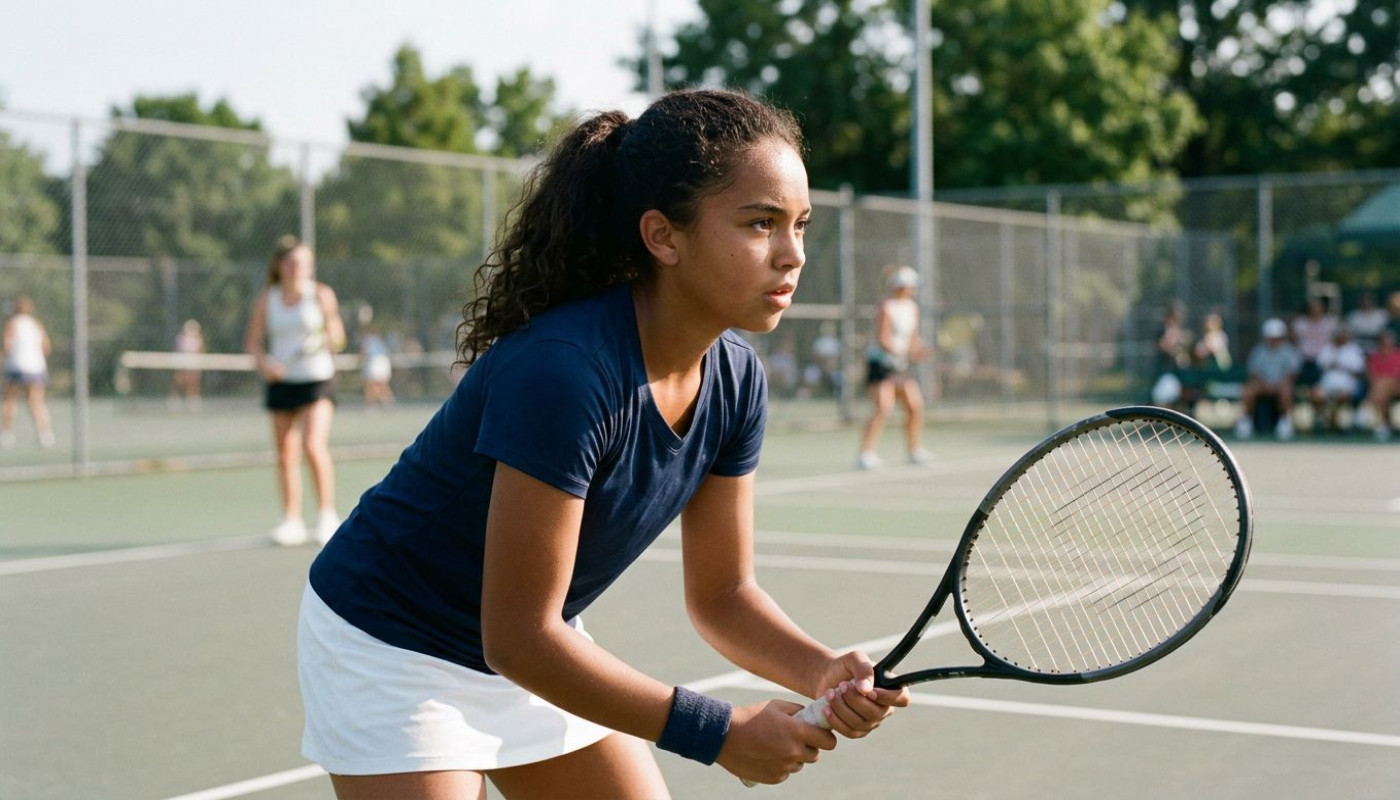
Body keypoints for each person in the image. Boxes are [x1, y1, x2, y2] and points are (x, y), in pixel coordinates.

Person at [295, 89, 909, 799]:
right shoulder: (564, 371)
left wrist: (819, 670)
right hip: (391, 642)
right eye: (760, 223)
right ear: (664, 236)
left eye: (801, 225)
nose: (792, 255)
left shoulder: (737, 379)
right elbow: (520, 636)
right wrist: (718, 733)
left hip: (524, 648)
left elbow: (723, 593)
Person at [244, 236, 346, 546]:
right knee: (286, 454)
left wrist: (332, 339)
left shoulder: (321, 295)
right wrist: (266, 366)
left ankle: (327, 515)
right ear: (280, 266)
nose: (297, 268)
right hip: (282, 383)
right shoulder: (267, 300)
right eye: (291, 262)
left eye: (303, 263)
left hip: (317, 381)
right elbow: (253, 343)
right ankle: (291, 519)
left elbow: (338, 335)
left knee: (313, 446)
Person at [856, 265, 930, 469]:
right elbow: (882, 339)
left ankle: (914, 450)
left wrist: (919, 349)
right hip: (881, 364)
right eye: (908, 286)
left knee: (915, 407)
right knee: (883, 408)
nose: (911, 290)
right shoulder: (886, 306)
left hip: (900, 364)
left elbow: (913, 338)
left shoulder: (912, 308)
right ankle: (865, 454)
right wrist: (904, 351)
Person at [1, 296, 55, 449]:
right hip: (36, 367)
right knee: (36, 401)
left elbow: (7, 347)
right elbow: (46, 347)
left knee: (9, 400)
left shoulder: (12, 323)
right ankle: (45, 434)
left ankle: (6, 434)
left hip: (17, 366)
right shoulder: (36, 324)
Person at [1234, 317, 1301, 440]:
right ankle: (1246, 421)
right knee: (1248, 390)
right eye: (1271, 337)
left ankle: (1285, 421)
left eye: (1276, 337)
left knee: (1286, 390)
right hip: (1262, 384)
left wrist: (1278, 384)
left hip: (1280, 385)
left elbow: (1291, 374)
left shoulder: (1289, 351)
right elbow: (1254, 372)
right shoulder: (1259, 350)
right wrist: (1264, 384)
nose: (1273, 340)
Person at [1309, 325, 1366, 433]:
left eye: (1342, 335)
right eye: (1338, 335)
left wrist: (1342, 366)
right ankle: (1322, 422)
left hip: (1347, 386)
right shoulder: (1327, 348)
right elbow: (1320, 366)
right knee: (1316, 394)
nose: (1340, 337)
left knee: (1341, 397)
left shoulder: (1354, 349)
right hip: (1327, 385)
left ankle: (1334, 424)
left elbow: (1359, 372)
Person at [1291, 297, 1337, 392]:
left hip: (1323, 360)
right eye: (1312, 306)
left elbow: (1335, 341)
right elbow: (1292, 340)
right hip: (1303, 360)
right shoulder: (1300, 322)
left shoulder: (1330, 323)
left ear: (1323, 308)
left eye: (1317, 306)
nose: (1314, 309)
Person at [1366, 329, 1400, 441]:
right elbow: (1372, 375)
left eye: (1389, 341)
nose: (1386, 343)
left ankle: (1383, 424)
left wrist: (1386, 380)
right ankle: (1385, 424)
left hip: (1396, 386)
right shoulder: (1374, 356)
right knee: (1381, 392)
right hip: (1381, 388)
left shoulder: (1398, 354)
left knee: (1381, 387)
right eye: (1384, 341)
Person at [169, 318, 205, 409]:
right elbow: (178, 350)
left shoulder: (198, 339)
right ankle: (174, 397)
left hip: (194, 362)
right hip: (182, 361)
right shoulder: (181, 338)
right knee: (180, 380)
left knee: (194, 380)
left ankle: (193, 398)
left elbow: (200, 350)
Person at [360, 324, 394, 408]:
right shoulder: (380, 340)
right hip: (384, 362)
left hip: (375, 362)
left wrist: (362, 361)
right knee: (382, 384)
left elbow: (365, 352)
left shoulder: (368, 340)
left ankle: (372, 404)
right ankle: (387, 402)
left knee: (371, 384)